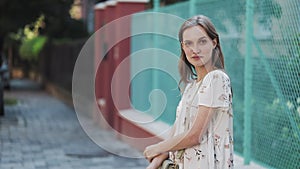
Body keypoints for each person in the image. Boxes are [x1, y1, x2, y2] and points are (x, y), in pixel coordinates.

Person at [143, 15, 234, 169]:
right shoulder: (191, 87)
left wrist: (157, 147)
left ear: (214, 42)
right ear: (183, 47)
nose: (195, 50)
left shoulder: (217, 78)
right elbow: (178, 132)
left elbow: (194, 136)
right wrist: (157, 161)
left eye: (202, 41)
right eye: (189, 44)